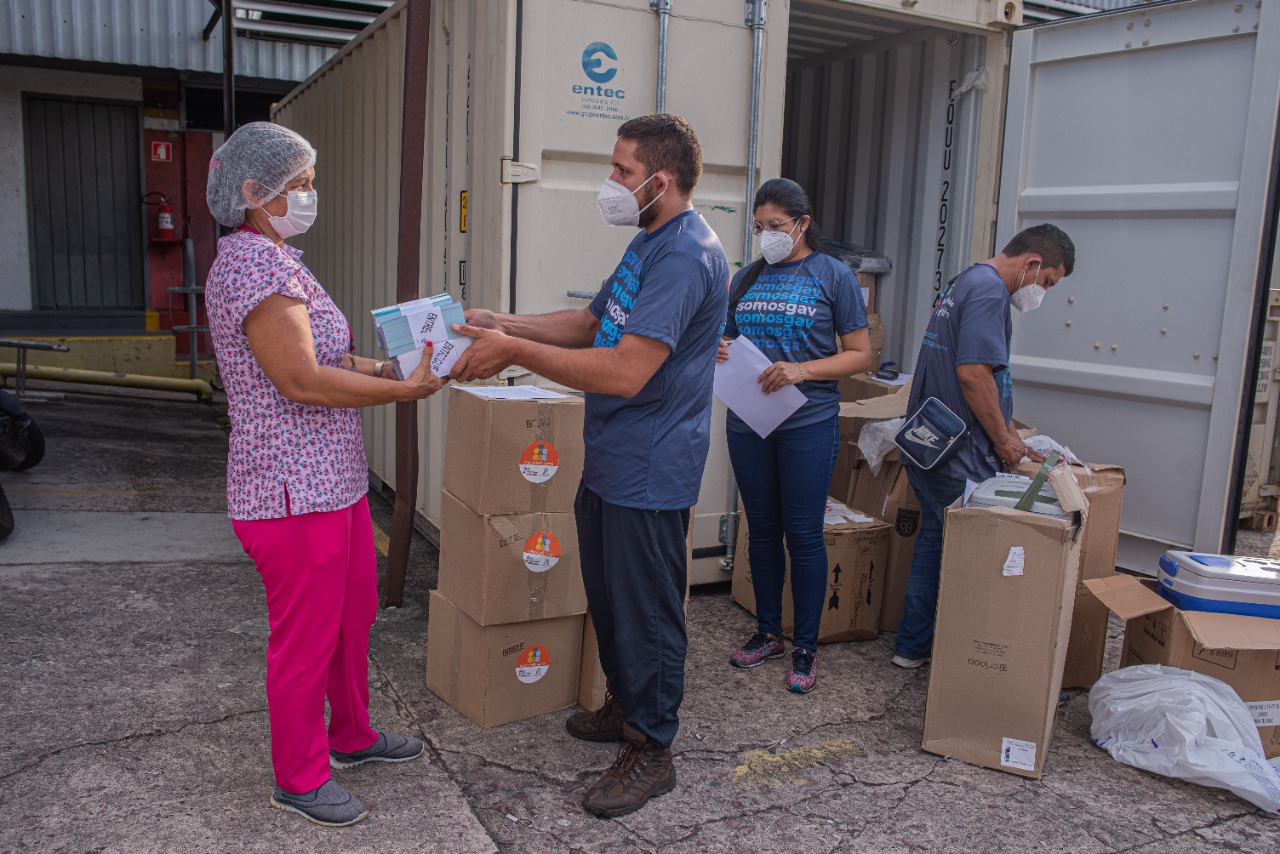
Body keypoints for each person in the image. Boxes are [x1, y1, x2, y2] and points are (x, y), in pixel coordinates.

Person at [449, 114, 728, 817]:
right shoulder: (648, 241)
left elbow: (626, 369)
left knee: (648, 612)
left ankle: (652, 747)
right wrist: (506, 324)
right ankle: (625, 706)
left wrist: (512, 354)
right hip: (611, 458)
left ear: (659, 181)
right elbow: (591, 323)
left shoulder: (687, 254)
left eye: (621, 171)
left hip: (651, 465)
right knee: (609, 599)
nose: (611, 183)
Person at [204, 122, 447, 827]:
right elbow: (303, 380)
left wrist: (392, 367)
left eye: (310, 183)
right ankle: (300, 776)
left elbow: (332, 356)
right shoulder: (252, 266)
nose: (311, 196)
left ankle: (352, 736)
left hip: (332, 482)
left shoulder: (283, 257)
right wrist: (403, 393)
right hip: (287, 490)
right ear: (255, 192)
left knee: (352, 617)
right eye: (299, 185)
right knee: (306, 636)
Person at [892, 223, 1075, 669]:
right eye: (1047, 282)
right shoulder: (991, 291)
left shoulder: (966, 280)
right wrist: (1003, 442)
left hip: (930, 442)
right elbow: (973, 374)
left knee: (935, 540)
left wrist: (1011, 432)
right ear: (1032, 264)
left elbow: (984, 376)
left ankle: (911, 648)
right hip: (958, 455)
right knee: (975, 558)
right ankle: (969, 660)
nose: (1042, 293)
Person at [717, 178, 871, 693]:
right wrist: (721, 348)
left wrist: (802, 371)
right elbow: (728, 336)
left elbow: (859, 354)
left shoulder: (834, 276)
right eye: (760, 226)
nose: (767, 235)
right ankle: (767, 631)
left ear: (803, 224)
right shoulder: (746, 278)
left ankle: (805, 645)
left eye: (776, 226)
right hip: (749, 420)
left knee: (802, 535)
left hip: (807, 421)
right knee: (760, 529)